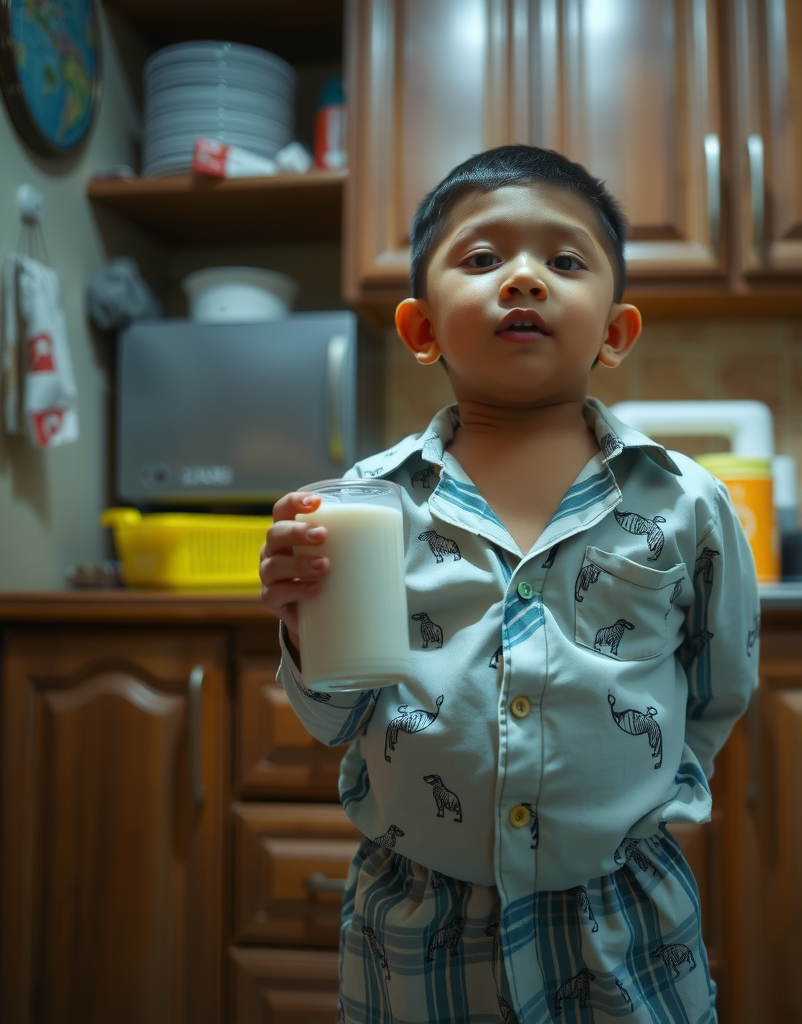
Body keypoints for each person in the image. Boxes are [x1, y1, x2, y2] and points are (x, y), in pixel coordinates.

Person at [259, 144, 759, 1024]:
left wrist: (632, 808)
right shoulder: (366, 506)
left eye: (564, 261)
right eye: (483, 259)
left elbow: (721, 684)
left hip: (624, 921)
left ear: (614, 330)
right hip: (417, 930)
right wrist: (305, 630)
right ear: (420, 329)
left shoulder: (686, 501)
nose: (524, 278)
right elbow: (332, 716)